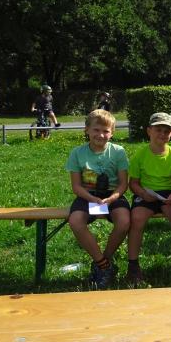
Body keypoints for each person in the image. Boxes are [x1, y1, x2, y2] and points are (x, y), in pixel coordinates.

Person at [65, 109, 130, 289]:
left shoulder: (118, 151)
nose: (100, 135)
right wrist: (92, 198)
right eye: (96, 130)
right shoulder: (77, 153)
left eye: (106, 131)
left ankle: (104, 261)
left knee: (124, 221)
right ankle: (104, 265)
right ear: (87, 130)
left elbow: (123, 184)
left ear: (112, 133)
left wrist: (111, 198)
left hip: (113, 195)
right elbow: (76, 187)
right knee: (75, 221)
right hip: (86, 195)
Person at [127, 112, 171, 284]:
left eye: (167, 131)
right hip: (146, 192)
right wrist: (141, 194)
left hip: (169, 194)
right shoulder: (140, 155)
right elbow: (133, 183)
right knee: (137, 218)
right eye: (158, 130)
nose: (162, 134)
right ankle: (133, 265)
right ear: (149, 131)